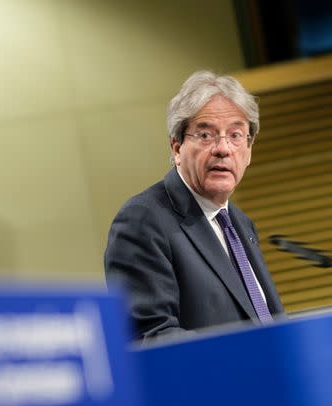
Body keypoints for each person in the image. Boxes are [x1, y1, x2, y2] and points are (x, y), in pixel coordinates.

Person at [105, 70, 284, 342]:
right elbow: (152, 337)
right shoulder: (142, 221)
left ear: (249, 150)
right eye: (205, 135)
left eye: (236, 135)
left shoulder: (240, 223)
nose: (223, 148)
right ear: (177, 148)